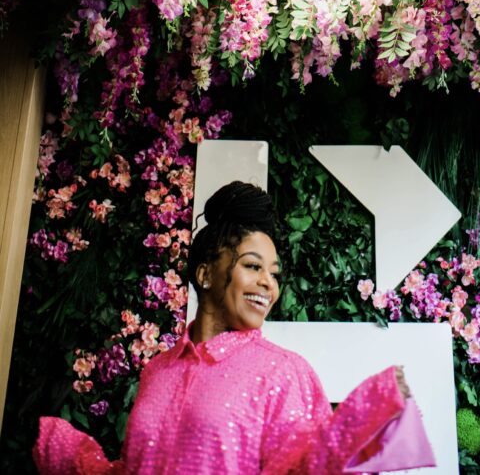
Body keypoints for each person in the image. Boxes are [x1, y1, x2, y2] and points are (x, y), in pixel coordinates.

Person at [33, 181, 435, 474]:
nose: (269, 284)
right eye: (253, 266)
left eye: (274, 274)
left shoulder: (283, 372)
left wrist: (370, 409)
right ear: (206, 273)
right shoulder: (158, 370)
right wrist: (68, 455)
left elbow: (299, 467)